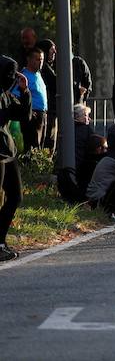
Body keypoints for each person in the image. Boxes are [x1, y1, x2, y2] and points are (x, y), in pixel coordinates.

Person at [0, 56, 32, 260]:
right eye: (10, 74)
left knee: (16, 196)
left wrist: (24, 90)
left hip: (7, 152)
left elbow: (23, 114)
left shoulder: (6, 94)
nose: (12, 77)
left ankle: (0, 240)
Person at [18, 46, 48, 154]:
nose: (40, 62)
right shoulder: (24, 76)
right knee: (32, 145)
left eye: (42, 60)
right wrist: (29, 111)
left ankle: (37, 167)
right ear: (29, 59)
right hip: (32, 114)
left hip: (42, 114)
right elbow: (16, 95)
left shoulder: (38, 74)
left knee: (40, 144)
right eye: (37, 59)